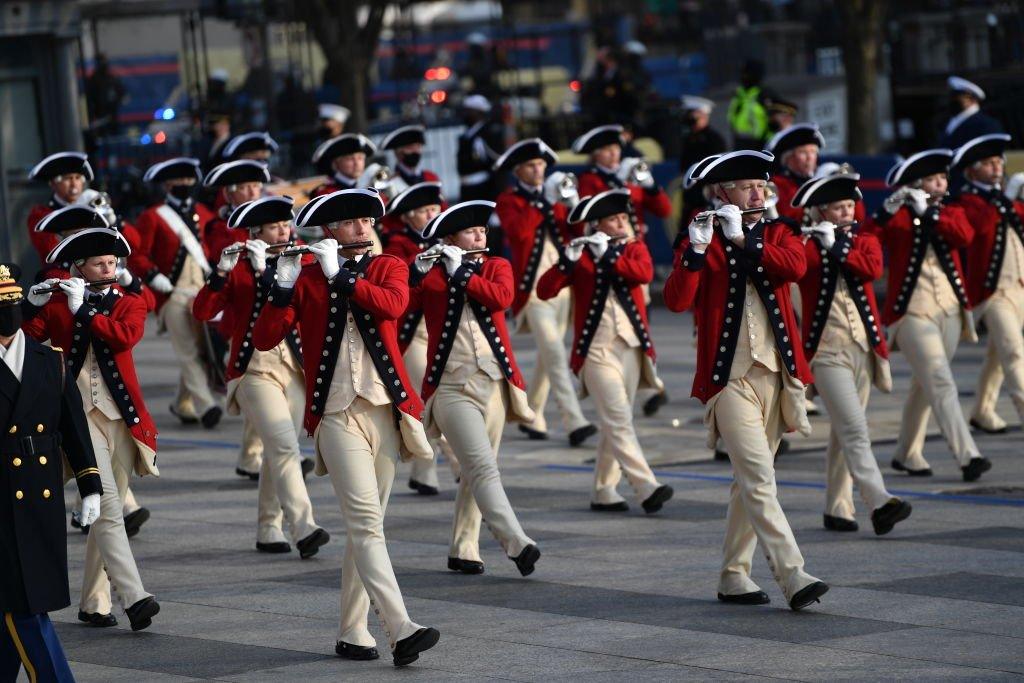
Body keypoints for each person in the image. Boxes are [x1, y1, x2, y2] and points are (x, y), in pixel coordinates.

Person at [252, 188, 440, 666]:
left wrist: (341, 276)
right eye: (351, 223)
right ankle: (401, 628)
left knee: (369, 527)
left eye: (366, 221)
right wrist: (281, 284)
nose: (362, 229)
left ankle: (353, 630)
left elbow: (393, 306)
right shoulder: (307, 277)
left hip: (385, 409)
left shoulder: (388, 265)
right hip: (335, 414)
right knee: (364, 524)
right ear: (329, 230)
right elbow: (265, 336)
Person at [664, 149, 829, 610]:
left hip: (777, 371)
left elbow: (795, 268)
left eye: (762, 186)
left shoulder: (780, 232)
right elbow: (677, 301)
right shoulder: (700, 238)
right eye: (747, 187)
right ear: (723, 194)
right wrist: (695, 252)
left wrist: (746, 241)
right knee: (758, 476)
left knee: (750, 480)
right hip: (727, 376)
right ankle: (792, 573)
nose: (758, 193)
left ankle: (734, 575)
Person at [23, 226, 161, 631]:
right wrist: (31, 308)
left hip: (121, 419)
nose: (109, 268)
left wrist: (86, 311)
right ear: (78, 267)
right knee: (109, 505)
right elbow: (21, 343)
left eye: (113, 262)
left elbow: (124, 338)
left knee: (104, 509)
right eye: (100, 263)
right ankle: (135, 597)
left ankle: (94, 601)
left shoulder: (129, 303)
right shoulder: (58, 304)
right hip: (76, 419)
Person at [194, 195, 330, 558]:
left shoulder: (302, 261)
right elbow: (204, 311)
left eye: (287, 224)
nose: (285, 231)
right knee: (285, 445)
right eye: (275, 227)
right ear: (255, 232)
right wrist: (221, 271)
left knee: (277, 447)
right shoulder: (238, 266)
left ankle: (268, 527)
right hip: (253, 368)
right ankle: (304, 526)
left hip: (295, 366)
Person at [411, 200, 541, 576]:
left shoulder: (496, 266)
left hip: (495, 381)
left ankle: (463, 547)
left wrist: (462, 273)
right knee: (482, 466)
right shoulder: (432, 271)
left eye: (482, 230)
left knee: (477, 467)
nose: (480, 236)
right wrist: (416, 274)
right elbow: (403, 307)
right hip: (450, 385)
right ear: (450, 238)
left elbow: (502, 298)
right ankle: (516, 542)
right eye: (471, 232)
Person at [537, 190, 674, 514]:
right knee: (618, 419)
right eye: (615, 219)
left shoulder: (634, 247)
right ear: (597, 225)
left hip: (631, 347)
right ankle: (646, 486)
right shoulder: (582, 255)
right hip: (596, 350)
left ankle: (603, 488)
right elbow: (545, 290)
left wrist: (611, 256)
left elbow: (643, 274)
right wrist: (567, 261)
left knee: (618, 420)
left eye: (624, 218)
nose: (623, 223)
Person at [791, 174, 912, 535]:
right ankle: (879, 502)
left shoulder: (865, 241)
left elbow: (871, 270)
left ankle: (837, 506)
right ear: (819, 212)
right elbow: (797, 269)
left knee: (845, 429)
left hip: (864, 348)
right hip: (826, 353)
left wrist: (839, 247)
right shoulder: (807, 246)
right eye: (837, 208)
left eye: (849, 207)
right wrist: (817, 242)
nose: (846, 213)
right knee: (856, 429)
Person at [0, 262, 102, 682]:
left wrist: (90, 484)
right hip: (2, 497)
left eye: (12, 303)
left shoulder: (49, 359)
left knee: (20, 601)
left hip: (41, 495)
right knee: (24, 607)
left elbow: (73, 427)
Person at [870, 149, 992, 482]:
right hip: (911, 312)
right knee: (940, 379)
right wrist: (885, 211)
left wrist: (931, 214)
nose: (940, 185)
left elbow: (964, 236)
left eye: (942, 179)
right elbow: (868, 240)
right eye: (933, 180)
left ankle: (907, 453)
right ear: (916, 184)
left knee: (926, 384)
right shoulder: (898, 214)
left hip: (951, 309)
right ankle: (969, 455)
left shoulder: (952, 210)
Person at [494, 139, 596, 446]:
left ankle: (532, 413)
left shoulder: (556, 195)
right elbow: (519, 233)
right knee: (554, 352)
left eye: (541, 165)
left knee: (546, 357)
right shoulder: (509, 200)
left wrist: (574, 204)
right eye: (531, 166)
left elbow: (579, 234)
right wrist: (542, 203)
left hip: (562, 285)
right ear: (518, 171)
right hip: (532, 290)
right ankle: (573, 419)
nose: (539, 170)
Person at [574, 124, 672, 416]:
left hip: (633, 255)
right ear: (595, 155)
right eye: (606, 150)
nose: (614, 154)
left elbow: (664, 210)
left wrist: (650, 184)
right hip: (604, 260)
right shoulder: (590, 181)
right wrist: (622, 184)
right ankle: (649, 386)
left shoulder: (630, 177)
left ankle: (650, 384)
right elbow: (589, 215)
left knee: (640, 320)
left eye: (616, 148)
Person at [132, 157, 222, 429]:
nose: (184, 184)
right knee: (187, 351)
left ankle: (181, 402)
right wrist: (152, 276)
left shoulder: (204, 213)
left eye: (187, 180)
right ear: (167, 184)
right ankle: (206, 405)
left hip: (202, 292)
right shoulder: (152, 217)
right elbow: (138, 255)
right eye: (177, 181)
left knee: (203, 348)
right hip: (172, 293)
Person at [948, 134, 1024, 433]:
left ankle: (982, 409)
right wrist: (1006, 197)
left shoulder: (1001, 198)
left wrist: (1013, 197)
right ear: (971, 171)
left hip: (1018, 286)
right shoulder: (968, 200)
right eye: (989, 164)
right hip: (992, 292)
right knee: (1014, 351)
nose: (996, 168)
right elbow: (979, 226)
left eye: (998, 162)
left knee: (998, 354)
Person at [385, 182, 452, 497]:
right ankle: (463, 466)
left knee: (436, 401)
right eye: (424, 211)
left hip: (442, 330)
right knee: (428, 400)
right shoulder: (398, 244)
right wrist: (421, 266)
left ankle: (424, 472)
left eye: (434, 209)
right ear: (410, 217)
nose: (432, 215)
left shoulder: (449, 240)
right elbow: (402, 292)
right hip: (413, 333)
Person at [26, 152, 93, 265]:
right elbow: (51, 249)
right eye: (68, 178)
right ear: (53, 184)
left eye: (77, 178)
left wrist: (114, 221)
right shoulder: (40, 215)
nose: (74, 184)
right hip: (63, 277)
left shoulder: (92, 205)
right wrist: (76, 213)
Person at [679, 96, 727, 228]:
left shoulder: (714, 139)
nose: (689, 117)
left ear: (703, 114)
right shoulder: (689, 138)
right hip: (691, 197)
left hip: (706, 199)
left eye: (692, 113)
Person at [766, 123, 825, 225]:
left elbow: (858, 218)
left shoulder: (821, 180)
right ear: (788, 158)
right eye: (803, 152)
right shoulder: (776, 184)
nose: (810, 157)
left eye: (813, 152)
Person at [457, 95, 503, 202]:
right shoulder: (468, 135)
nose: (465, 114)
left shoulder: (486, 133)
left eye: (469, 111)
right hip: (468, 188)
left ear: (479, 113)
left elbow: (495, 162)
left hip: (483, 189)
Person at [939, 76, 1003, 149]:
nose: (951, 100)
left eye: (956, 97)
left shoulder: (986, 124)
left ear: (971, 98)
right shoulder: (949, 122)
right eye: (951, 97)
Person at [310, 133, 377, 197]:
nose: (357, 163)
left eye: (360, 158)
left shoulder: (370, 186)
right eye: (350, 159)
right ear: (335, 164)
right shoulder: (326, 193)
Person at [727, 60, 768, 150]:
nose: (743, 77)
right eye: (743, 73)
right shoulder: (739, 94)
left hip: (760, 145)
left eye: (747, 74)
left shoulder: (765, 94)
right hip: (740, 143)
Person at [85, 53, 126, 137]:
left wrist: (116, 102)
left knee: (114, 135)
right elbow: (90, 98)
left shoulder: (111, 78)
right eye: (101, 62)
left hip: (112, 115)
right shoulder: (94, 80)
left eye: (104, 61)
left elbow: (121, 93)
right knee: (103, 136)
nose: (103, 64)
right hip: (100, 116)